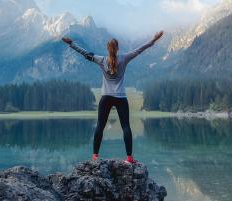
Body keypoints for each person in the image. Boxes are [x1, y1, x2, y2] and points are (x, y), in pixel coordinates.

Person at [62, 31, 164, 163]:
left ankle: (95, 157)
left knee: (100, 126)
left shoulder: (101, 60)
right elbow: (140, 50)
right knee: (126, 126)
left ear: (107, 49)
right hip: (120, 97)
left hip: (106, 97)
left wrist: (72, 45)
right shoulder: (124, 58)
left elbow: (85, 53)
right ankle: (129, 158)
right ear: (117, 49)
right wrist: (153, 40)